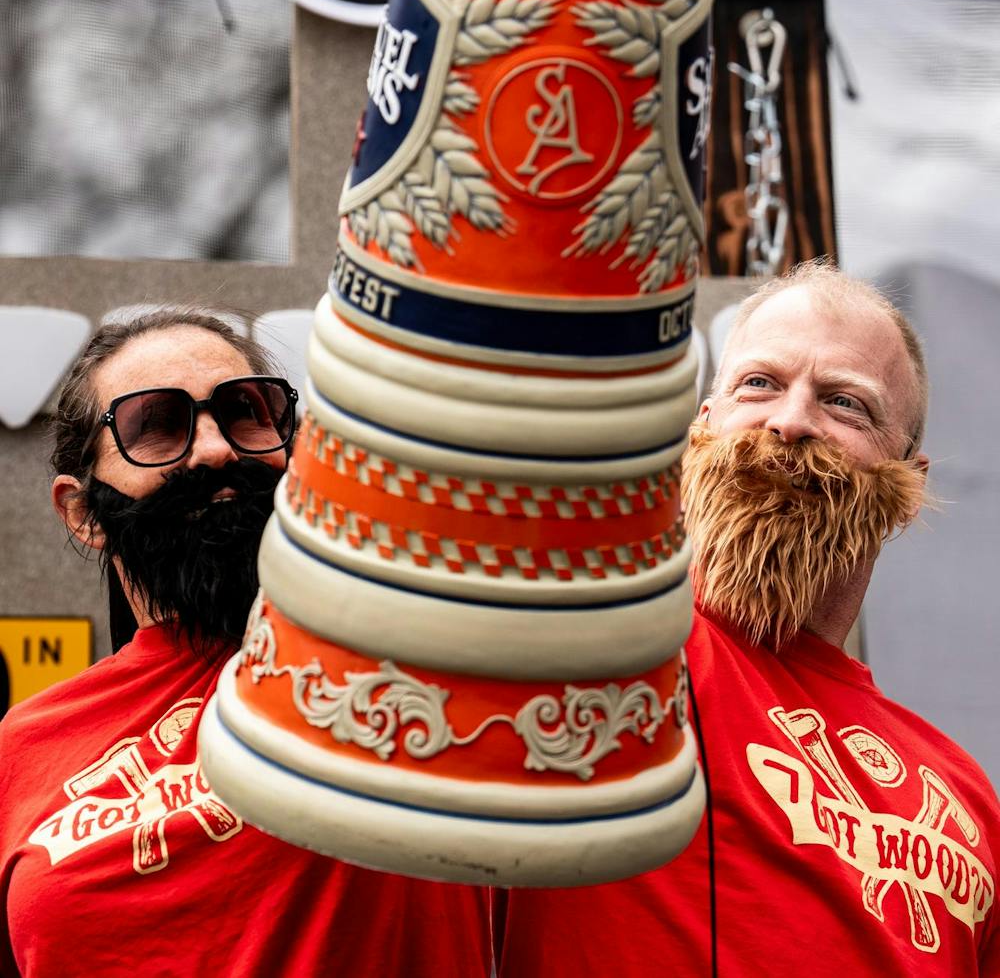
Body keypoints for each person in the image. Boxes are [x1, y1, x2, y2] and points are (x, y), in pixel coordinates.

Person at [496, 262, 1000, 976]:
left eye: (845, 404)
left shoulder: (964, 802)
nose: (790, 422)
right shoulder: (574, 640)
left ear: (909, 486)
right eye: (759, 384)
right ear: (703, 430)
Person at [0, 308, 490, 978]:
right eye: (158, 426)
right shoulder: (19, 750)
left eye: (245, 412)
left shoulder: (419, 652)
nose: (215, 449)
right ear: (83, 513)